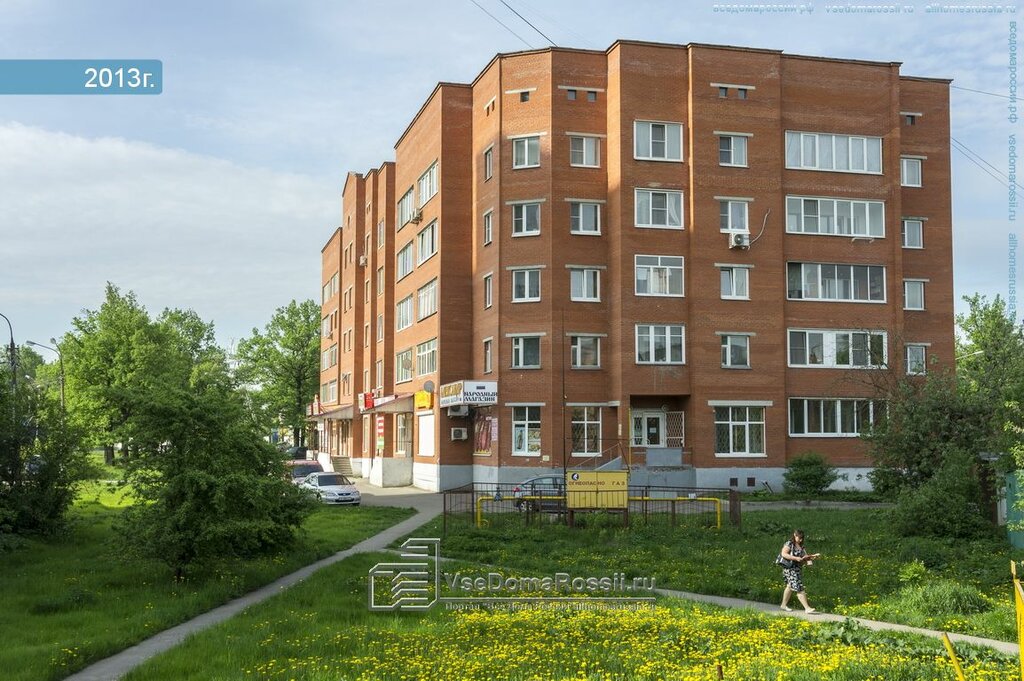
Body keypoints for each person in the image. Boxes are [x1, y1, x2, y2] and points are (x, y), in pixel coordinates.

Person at [780, 529, 821, 613]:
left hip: (797, 569)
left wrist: (811, 558)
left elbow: (804, 557)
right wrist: (795, 558)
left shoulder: (801, 546)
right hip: (790, 569)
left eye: (802, 538)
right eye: (799, 538)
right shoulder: (789, 544)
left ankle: (783, 605)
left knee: (789, 586)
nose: (801, 540)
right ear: (794, 535)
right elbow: (784, 554)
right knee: (799, 587)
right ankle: (807, 608)